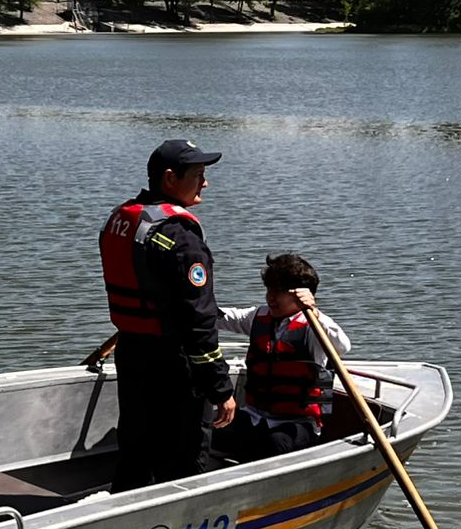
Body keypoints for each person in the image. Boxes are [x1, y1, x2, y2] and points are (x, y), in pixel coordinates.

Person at [99, 139, 236, 492]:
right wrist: (221, 388)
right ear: (171, 179)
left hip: (132, 353)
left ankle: (123, 512)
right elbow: (199, 322)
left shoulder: (123, 219)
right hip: (175, 367)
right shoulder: (180, 238)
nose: (205, 183)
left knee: (136, 449)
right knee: (184, 460)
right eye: (199, 175)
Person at [213, 253, 350, 463]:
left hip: (299, 423)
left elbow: (343, 345)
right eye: (269, 289)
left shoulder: (314, 327)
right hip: (255, 416)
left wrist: (314, 312)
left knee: (274, 445)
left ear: (300, 294)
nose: (271, 297)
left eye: (279, 291)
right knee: (206, 431)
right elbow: (222, 317)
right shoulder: (258, 316)